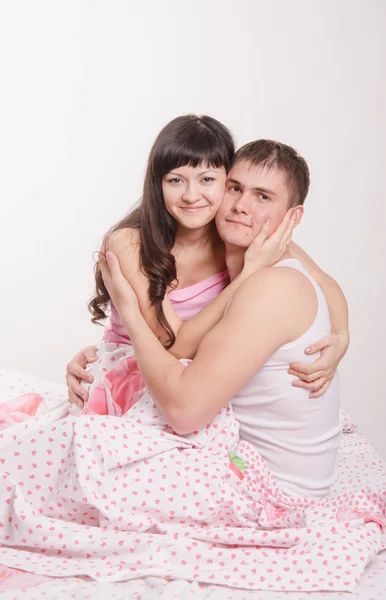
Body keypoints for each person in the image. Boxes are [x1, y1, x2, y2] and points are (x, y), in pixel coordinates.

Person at [98, 139, 342, 497]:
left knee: (86, 465)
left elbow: (184, 410)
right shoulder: (247, 256)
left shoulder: (273, 284)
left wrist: (344, 335)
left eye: (263, 197)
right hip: (237, 455)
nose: (242, 206)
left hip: (270, 488)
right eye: (235, 188)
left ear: (293, 217)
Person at [66, 115, 349, 417]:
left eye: (208, 180)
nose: (191, 195)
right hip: (133, 384)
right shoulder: (131, 242)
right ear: (157, 184)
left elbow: (324, 284)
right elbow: (174, 344)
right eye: (176, 180)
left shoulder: (237, 234)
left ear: (226, 180)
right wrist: (249, 274)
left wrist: (342, 338)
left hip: (192, 388)